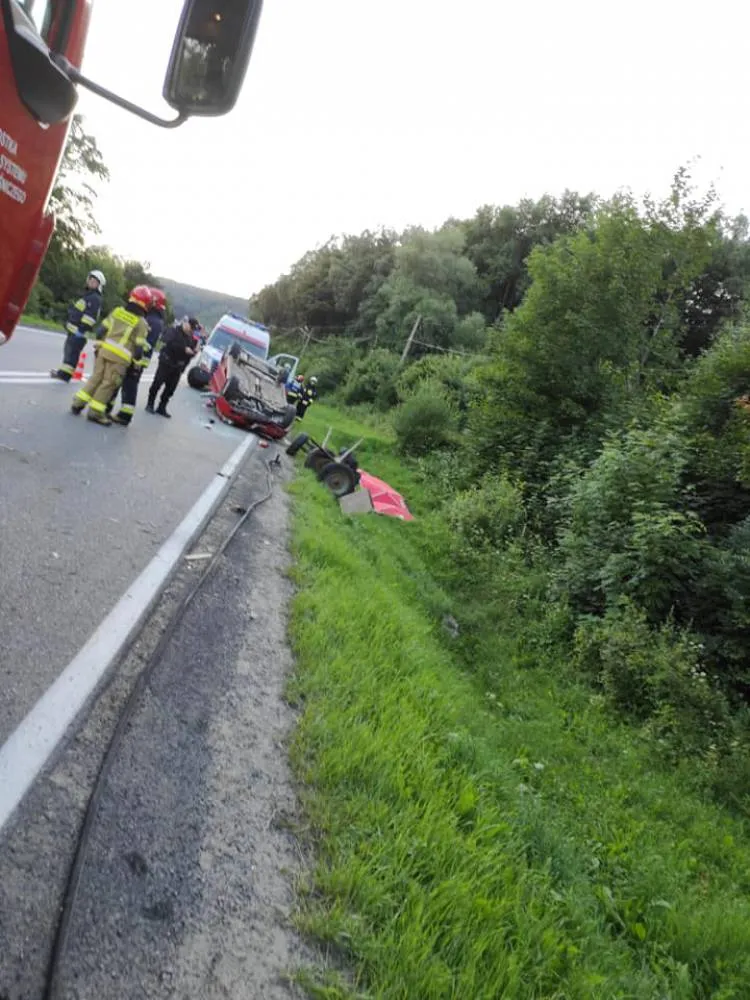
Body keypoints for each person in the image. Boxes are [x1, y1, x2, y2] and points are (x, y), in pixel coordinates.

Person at [70, 285, 151, 425]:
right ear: (145, 304)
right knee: (108, 384)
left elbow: (101, 330)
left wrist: (100, 344)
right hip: (120, 360)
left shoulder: (117, 311)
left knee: (95, 378)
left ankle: (78, 404)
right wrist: (137, 363)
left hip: (104, 352)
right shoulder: (141, 323)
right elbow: (139, 349)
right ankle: (95, 413)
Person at [109, 287, 167, 426]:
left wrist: (137, 360)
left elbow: (143, 343)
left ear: (153, 302)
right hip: (138, 359)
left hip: (137, 360)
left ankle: (124, 415)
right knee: (124, 384)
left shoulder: (152, 321)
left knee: (127, 385)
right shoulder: (154, 319)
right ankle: (116, 410)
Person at [50, 270, 105, 381]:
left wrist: (81, 330)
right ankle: (63, 372)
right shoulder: (88, 296)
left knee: (72, 354)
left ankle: (65, 375)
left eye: (94, 281)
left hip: (79, 333)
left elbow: (90, 318)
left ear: (99, 285)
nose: (91, 282)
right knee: (69, 352)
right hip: (74, 331)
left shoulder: (94, 298)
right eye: (90, 279)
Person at [146, 315, 199, 418]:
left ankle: (162, 407)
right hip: (166, 361)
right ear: (186, 324)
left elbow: (189, 354)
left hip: (178, 366)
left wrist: (194, 352)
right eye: (191, 328)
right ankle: (150, 403)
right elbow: (167, 341)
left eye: (193, 329)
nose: (191, 331)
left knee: (170, 389)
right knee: (157, 383)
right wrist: (183, 348)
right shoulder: (174, 331)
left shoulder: (191, 338)